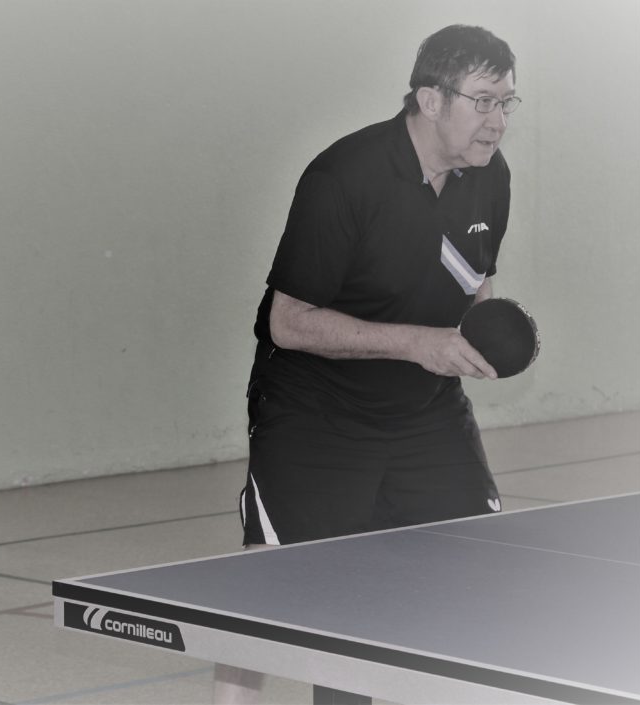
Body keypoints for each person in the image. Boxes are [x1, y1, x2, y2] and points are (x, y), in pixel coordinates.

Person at [215, 25, 519, 704]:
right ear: (431, 100)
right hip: (316, 412)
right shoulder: (343, 177)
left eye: (507, 102)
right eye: (483, 101)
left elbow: (475, 285)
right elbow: (288, 322)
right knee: (276, 590)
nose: (498, 120)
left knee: (480, 568)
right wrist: (418, 343)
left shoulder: (490, 177)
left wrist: (491, 334)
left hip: (424, 410)